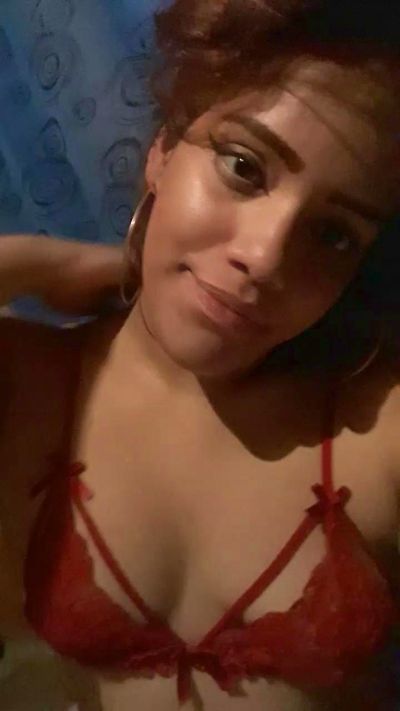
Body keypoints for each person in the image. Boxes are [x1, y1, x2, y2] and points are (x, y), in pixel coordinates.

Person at [1, 1, 400, 709]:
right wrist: (30, 263)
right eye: (244, 167)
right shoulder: (29, 384)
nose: (265, 257)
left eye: (334, 234)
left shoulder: (375, 422)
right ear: (161, 151)